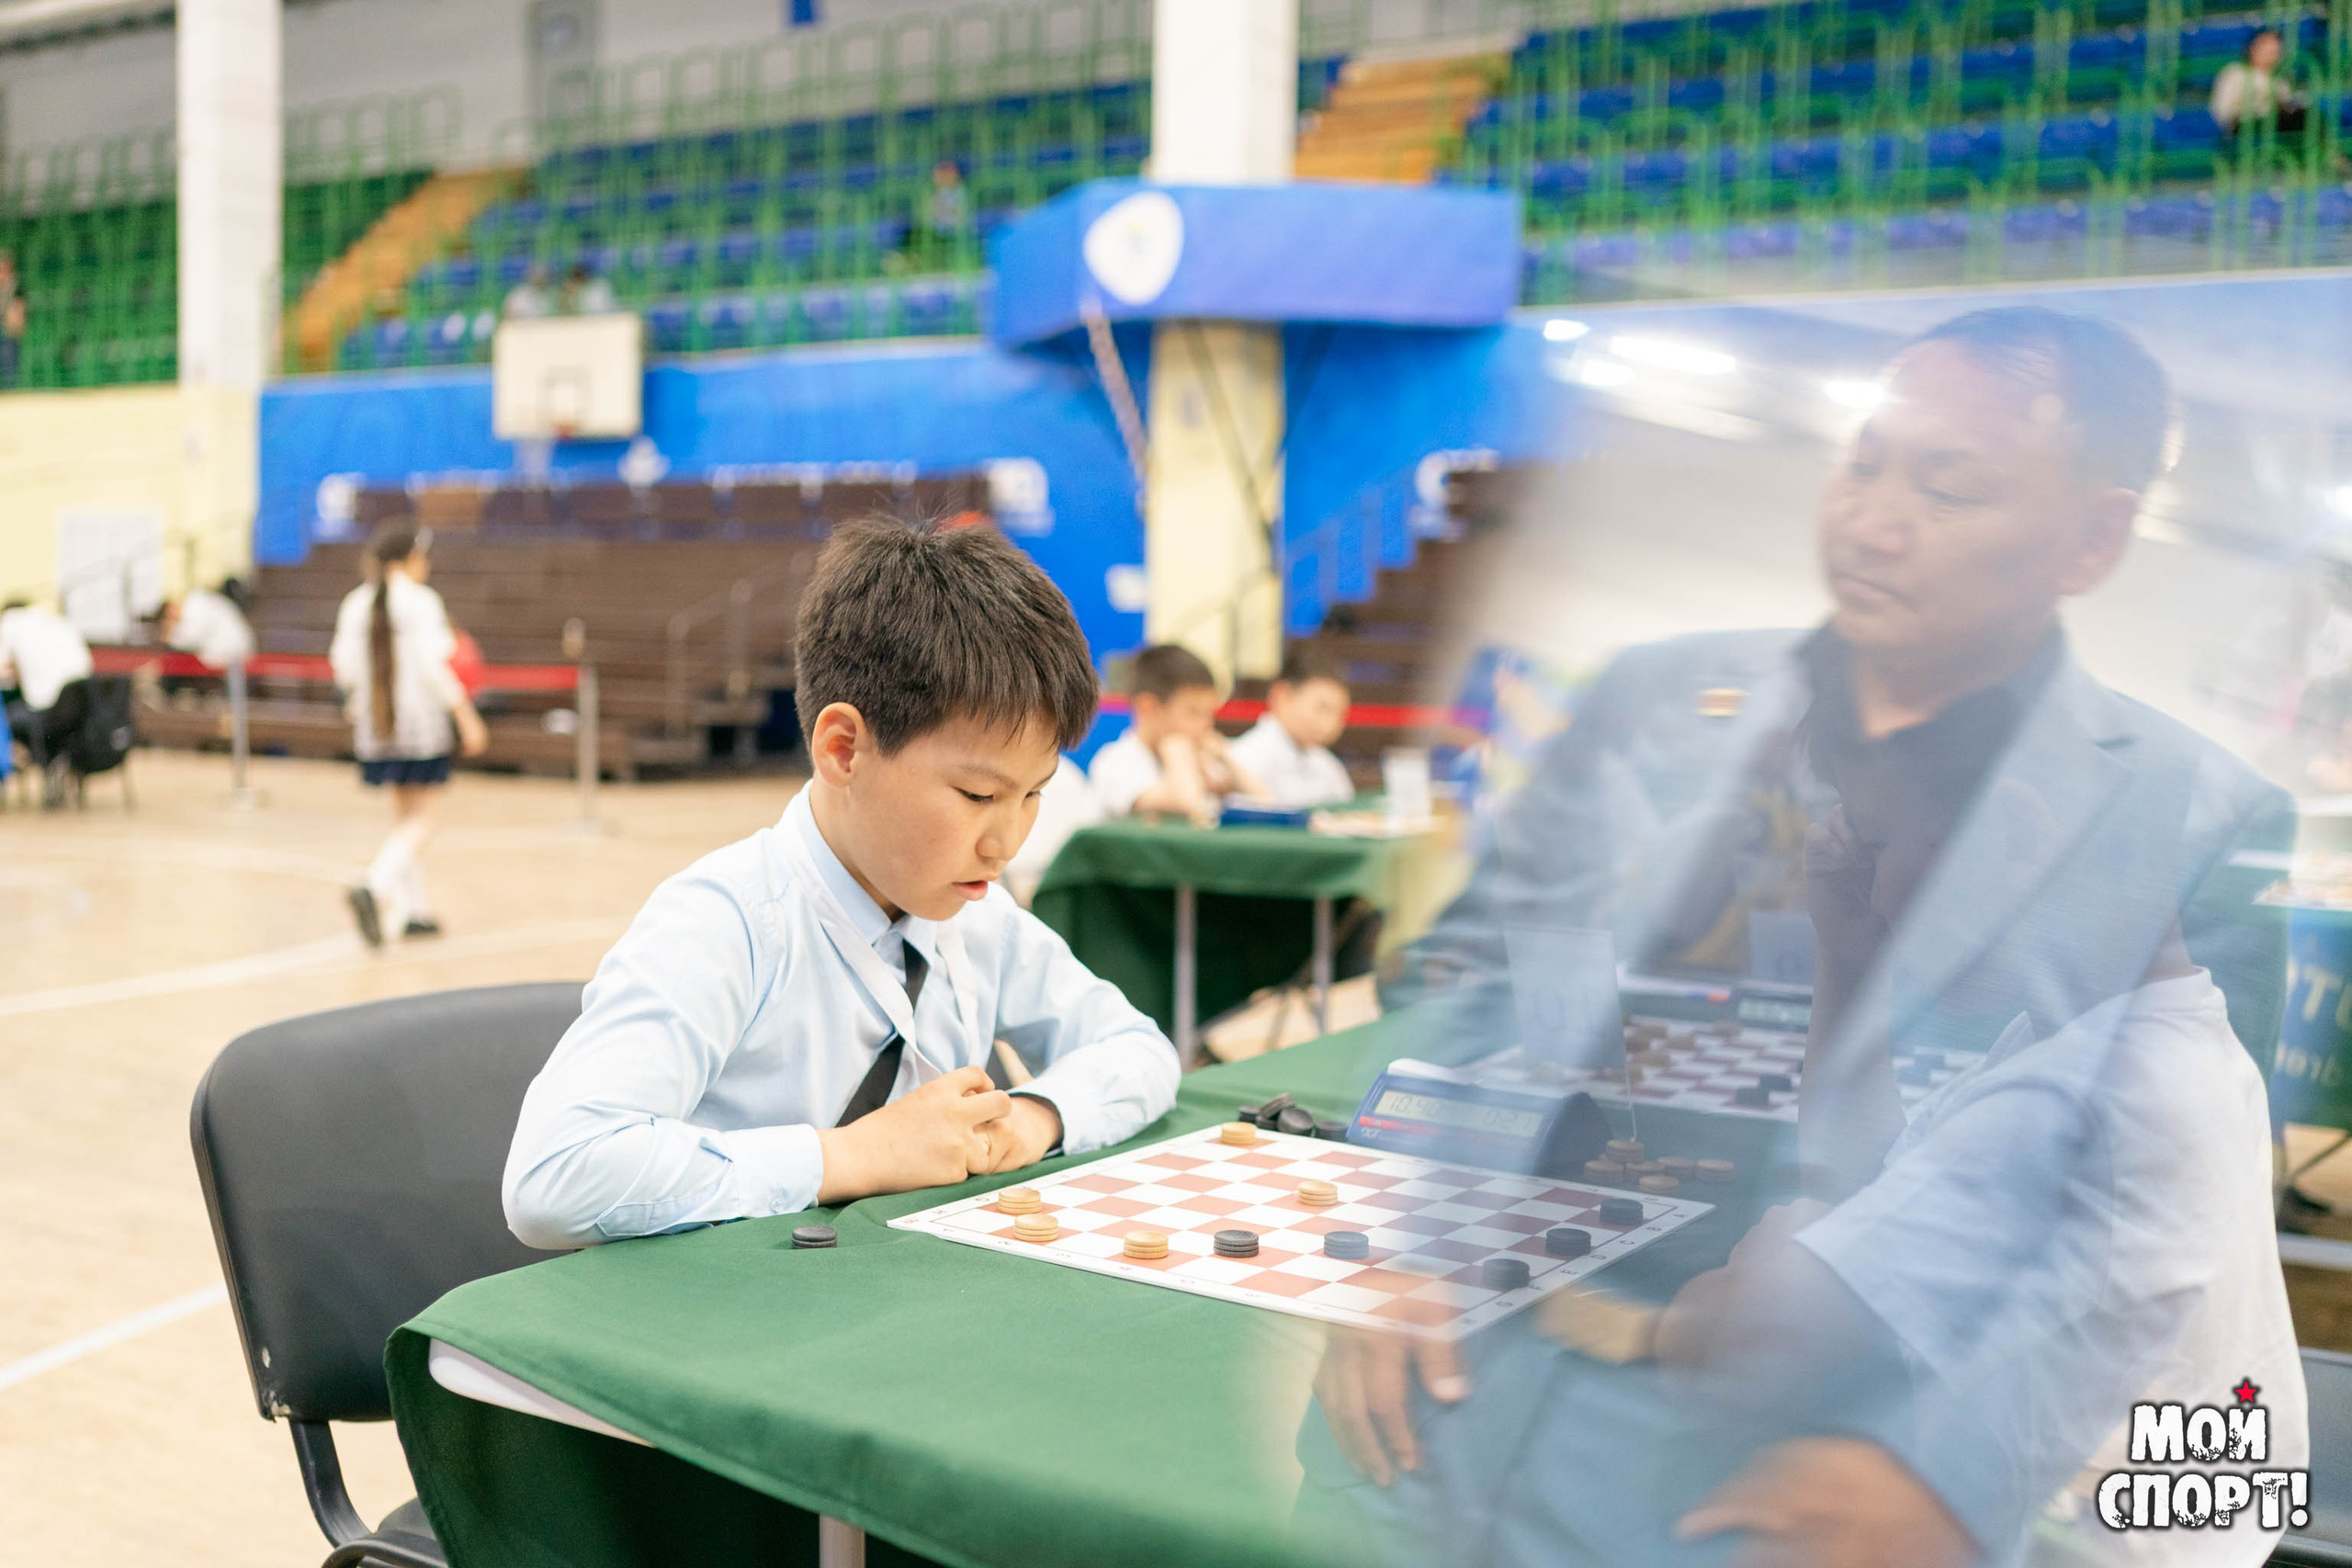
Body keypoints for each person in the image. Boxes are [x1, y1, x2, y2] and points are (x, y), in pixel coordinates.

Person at [1309, 308, 2302, 1567]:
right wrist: (1414, 1239)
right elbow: (1480, 976)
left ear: (2092, 536)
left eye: (1949, 485)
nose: (1874, 520)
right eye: (1865, 461)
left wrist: (1951, 1468)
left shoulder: (2192, 816)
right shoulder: (1652, 698)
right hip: (1543, 1356)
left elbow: (2184, 1223)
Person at [502, 518, 1182, 1249]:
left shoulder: (975, 916)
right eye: (979, 796)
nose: (1006, 840)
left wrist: (1036, 1116)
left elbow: (1139, 1050)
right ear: (844, 748)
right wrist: (852, 1155)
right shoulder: (729, 923)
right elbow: (553, 1173)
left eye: (1034, 794)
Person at [328, 525, 490, 947]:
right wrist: (465, 715)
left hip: (377, 728)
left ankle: (415, 911)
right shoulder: (421, 602)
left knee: (404, 816)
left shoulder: (355, 603)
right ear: (409, 558)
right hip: (420, 726)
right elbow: (435, 667)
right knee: (422, 819)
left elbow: (343, 667)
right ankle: (375, 885)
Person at [1087, 642, 1264, 822]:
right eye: (1193, 713)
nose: (1206, 725)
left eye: (1209, 714)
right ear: (1148, 708)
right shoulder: (1116, 762)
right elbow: (1189, 804)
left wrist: (1225, 758)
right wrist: (1177, 752)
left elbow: (1266, 804)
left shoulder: (1203, 760)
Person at [1227, 647, 1356, 807]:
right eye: (1322, 708)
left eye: (1339, 713)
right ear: (1282, 696)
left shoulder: (1327, 765)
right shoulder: (1245, 759)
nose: (1330, 725)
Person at [0, 595, 94, 804]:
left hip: (44, 710)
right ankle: (51, 760)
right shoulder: (61, 623)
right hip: (80, 711)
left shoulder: (10, 623)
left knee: (7, 717)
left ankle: (16, 758)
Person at [2211, 28, 2307, 146]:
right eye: (2265, 47)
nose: (2270, 54)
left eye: (2275, 50)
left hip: (2276, 124)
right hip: (2246, 126)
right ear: (2252, 48)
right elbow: (2222, 109)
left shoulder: (2280, 81)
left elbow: (2286, 105)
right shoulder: (2235, 73)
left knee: (2304, 116)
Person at [159, 580, 255, 672]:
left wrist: (170, 637)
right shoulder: (197, 600)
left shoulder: (196, 604)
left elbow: (194, 638)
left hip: (231, 651)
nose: (170, 617)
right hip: (230, 651)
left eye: (168, 614)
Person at [0, 250, 25, 390]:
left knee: (9, 359)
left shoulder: (16, 285)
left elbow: (19, 307)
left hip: (8, 329)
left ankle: (11, 389)